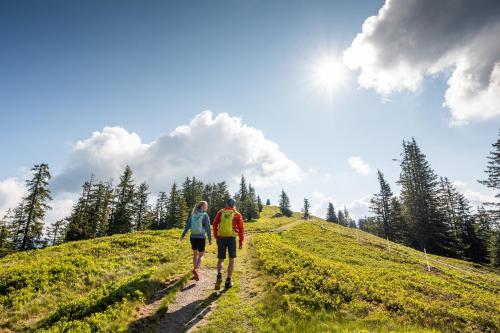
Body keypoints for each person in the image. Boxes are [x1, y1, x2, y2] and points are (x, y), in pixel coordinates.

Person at [212, 198, 244, 290]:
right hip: (231, 238)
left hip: (221, 237)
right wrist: (241, 241)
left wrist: (216, 234)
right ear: (234, 205)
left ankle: (219, 275)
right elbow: (241, 228)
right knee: (231, 260)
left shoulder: (221, 212)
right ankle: (228, 281)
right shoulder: (237, 214)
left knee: (221, 259)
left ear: (226, 204)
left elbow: (214, 223)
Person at [180, 201, 212, 281]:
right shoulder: (205, 215)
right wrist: (210, 238)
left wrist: (183, 235)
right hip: (201, 237)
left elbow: (187, 226)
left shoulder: (193, 214)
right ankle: (196, 270)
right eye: (206, 206)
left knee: (195, 254)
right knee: (201, 255)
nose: (207, 207)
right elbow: (208, 228)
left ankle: (195, 271)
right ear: (202, 206)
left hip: (193, 237)